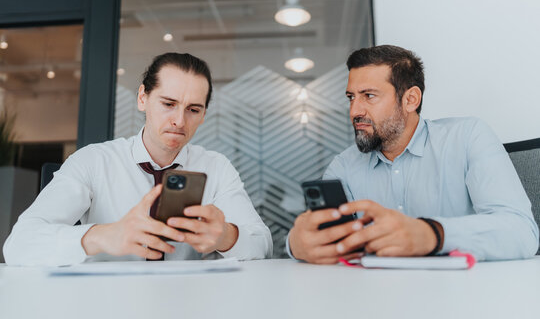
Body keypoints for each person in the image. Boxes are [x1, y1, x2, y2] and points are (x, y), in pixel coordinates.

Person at [3, 53, 272, 266]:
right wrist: (103, 235)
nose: (179, 121)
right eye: (168, 104)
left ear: (203, 115)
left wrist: (226, 236)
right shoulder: (92, 161)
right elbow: (19, 245)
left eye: (193, 109)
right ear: (143, 98)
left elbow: (262, 244)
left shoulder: (216, 167)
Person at [288, 45, 539, 264]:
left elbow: (522, 232)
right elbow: (325, 235)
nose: (355, 110)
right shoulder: (343, 166)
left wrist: (432, 234)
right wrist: (296, 244)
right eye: (351, 97)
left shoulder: (468, 137)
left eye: (369, 96)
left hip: (465, 298)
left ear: (410, 99)